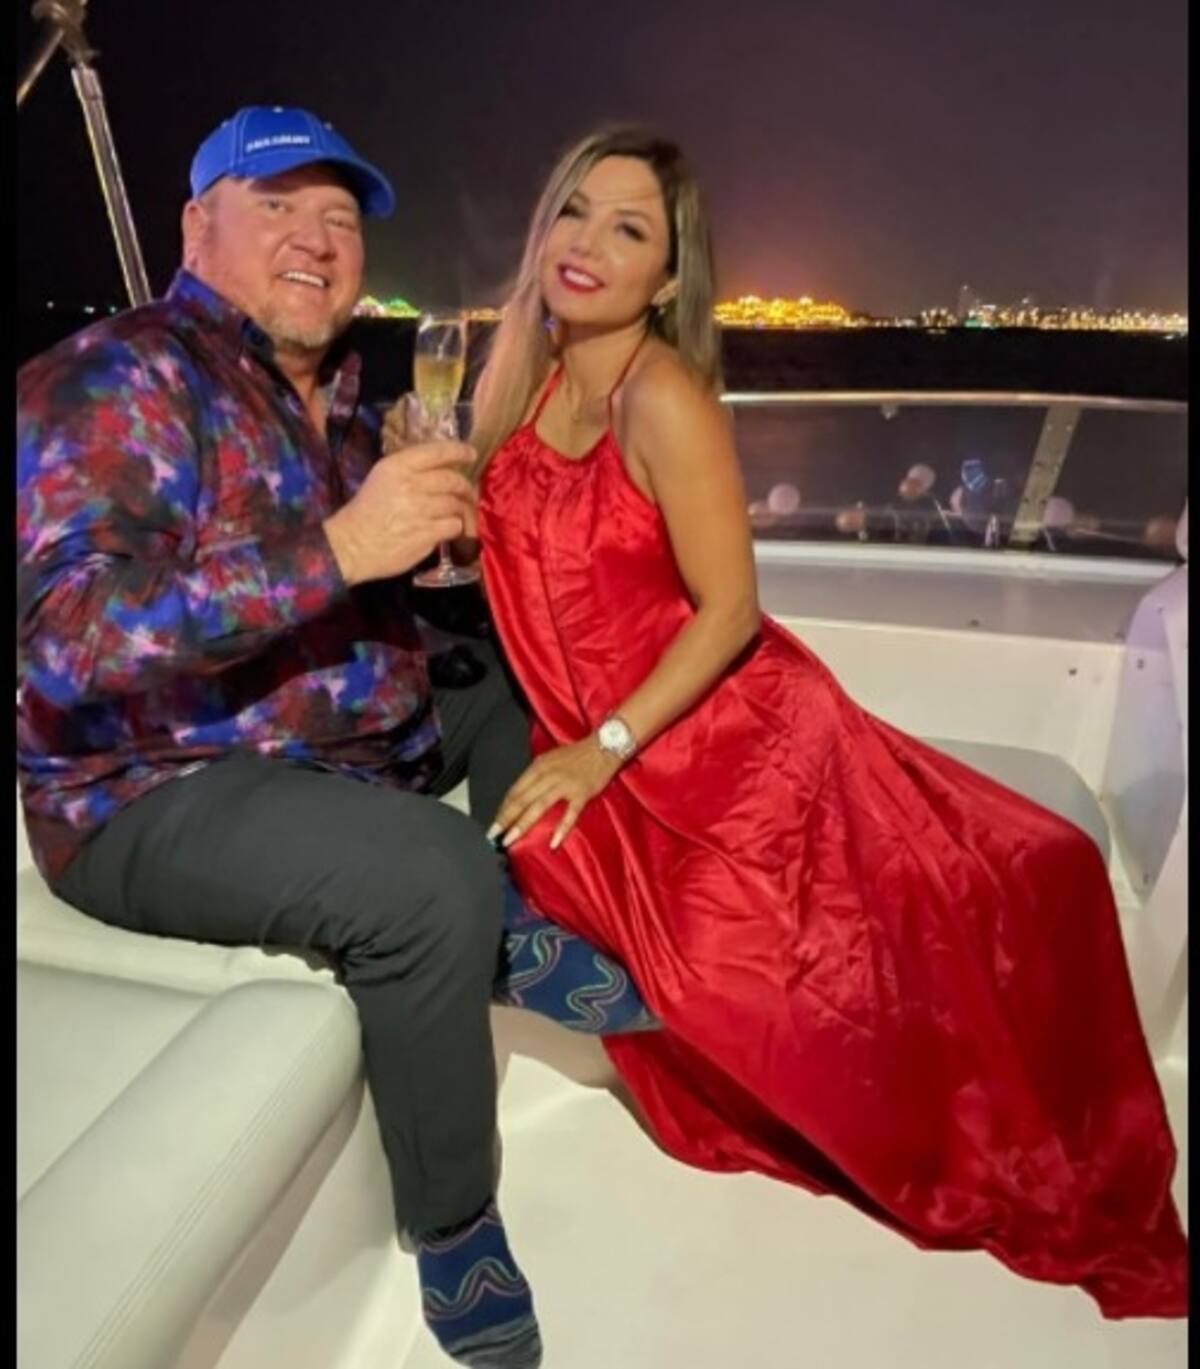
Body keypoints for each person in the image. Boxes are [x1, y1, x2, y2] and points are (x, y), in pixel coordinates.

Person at [464, 125, 1188, 1318]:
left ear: (669, 279)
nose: (587, 244)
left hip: (725, 740)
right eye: (575, 211)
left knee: (961, 903)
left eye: (628, 229)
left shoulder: (663, 398)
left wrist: (602, 751)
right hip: (608, 746)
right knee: (596, 893)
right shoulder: (523, 378)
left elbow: (730, 609)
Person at [16, 106, 654, 1369]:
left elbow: (378, 583)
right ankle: (454, 1221)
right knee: (427, 872)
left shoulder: (354, 393)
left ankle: (531, 919)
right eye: (277, 207)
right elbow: (64, 644)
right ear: (196, 228)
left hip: (340, 734)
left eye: (339, 217)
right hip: (151, 784)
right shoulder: (117, 379)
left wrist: (441, 552)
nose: (315, 238)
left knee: (535, 682)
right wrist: (344, 547)